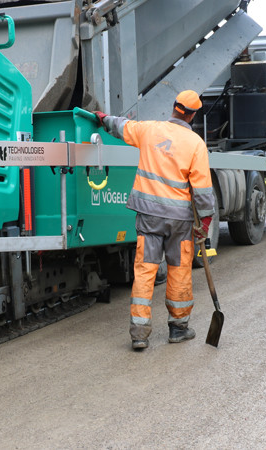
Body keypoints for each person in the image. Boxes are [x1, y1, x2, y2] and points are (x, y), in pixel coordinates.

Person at [94, 90, 215, 350]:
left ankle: (139, 334)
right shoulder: (195, 143)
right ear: (192, 115)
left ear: (173, 107)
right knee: (180, 270)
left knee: (145, 270)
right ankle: (178, 329)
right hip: (179, 221)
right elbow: (203, 189)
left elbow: (120, 126)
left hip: (148, 216)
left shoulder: (149, 130)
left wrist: (102, 118)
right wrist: (204, 224)